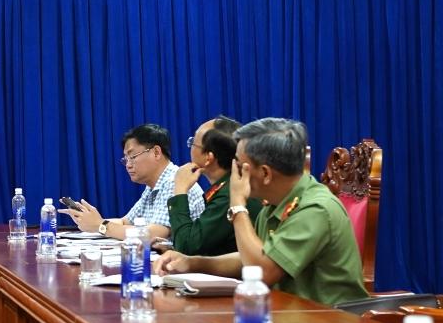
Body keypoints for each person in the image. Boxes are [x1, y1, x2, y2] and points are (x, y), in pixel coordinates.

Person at [156, 118, 368, 306]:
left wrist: (237, 204)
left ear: (265, 173)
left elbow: (262, 272)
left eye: (239, 166)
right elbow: (250, 258)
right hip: (287, 316)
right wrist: (192, 262)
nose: (235, 173)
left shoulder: (316, 208)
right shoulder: (275, 203)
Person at [61, 123, 204, 240]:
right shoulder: (153, 187)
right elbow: (124, 222)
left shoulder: (175, 181)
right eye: (126, 159)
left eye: (133, 156)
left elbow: (151, 234)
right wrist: (89, 220)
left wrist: (100, 225)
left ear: (156, 152)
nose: (128, 164)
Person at [167, 116, 261, 256]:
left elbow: (187, 247)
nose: (190, 146)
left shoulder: (230, 194)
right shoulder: (227, 185)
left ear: (208, 158)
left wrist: (180, 189)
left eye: (193, 142)